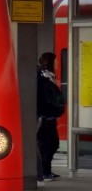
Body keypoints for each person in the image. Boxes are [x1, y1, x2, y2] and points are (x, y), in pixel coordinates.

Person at [37, 52, 65, 182]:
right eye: (56, 61)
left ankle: (46, 171)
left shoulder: (48, 76)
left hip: (48, 116)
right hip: (45, 117)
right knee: (49, 144)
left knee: (51, 144)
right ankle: (44, 171)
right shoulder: (45, 76)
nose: (58, 63)